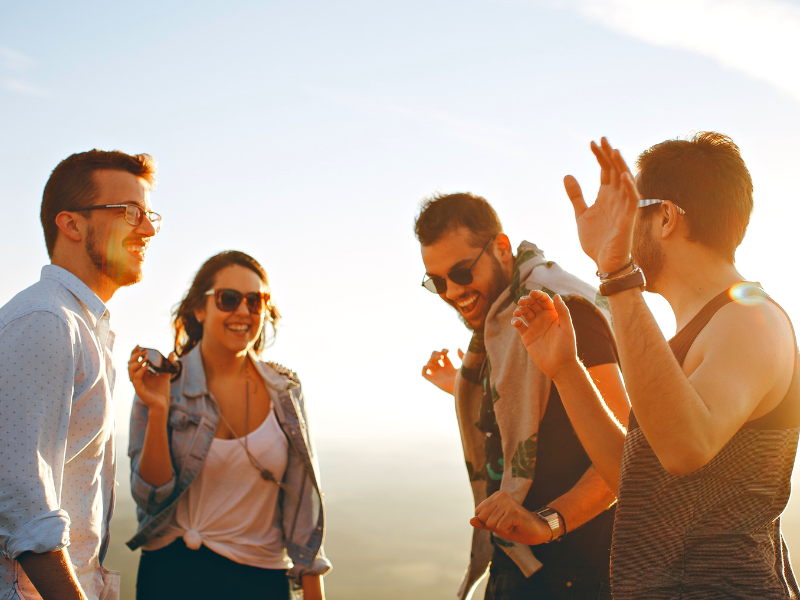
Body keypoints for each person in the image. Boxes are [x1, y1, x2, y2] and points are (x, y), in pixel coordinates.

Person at [505, 133, 799, 598]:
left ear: (665, 217)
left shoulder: (750, 319)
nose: (619, 227)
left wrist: (616, 272)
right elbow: (637, 476)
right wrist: (565, 369)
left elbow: (684, 448)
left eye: (631, 212)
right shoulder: (698, 332)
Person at [416, 193, 629, 600]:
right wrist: (464, 386)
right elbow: (538, 414)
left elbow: (623, 455)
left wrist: (547, 523)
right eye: (436, 281)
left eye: (460, 272)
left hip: (573, 574)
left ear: (500, 247)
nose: (450, 292)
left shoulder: (562, 311)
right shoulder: (500, 326)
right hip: (518, 564)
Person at [0, 150, 160, 600]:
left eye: (150, 216)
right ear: (71, 224)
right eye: (130, 213)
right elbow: (23, 508)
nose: (147, 229)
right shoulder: (47, 320)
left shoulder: (82, 327)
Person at [126, 250, 330, 600]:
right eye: (229, 299)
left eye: (256, 301)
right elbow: (150, 498)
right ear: (199, 308)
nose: (243, 311)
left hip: (260, 580)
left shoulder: (285, 391)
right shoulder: (163, 383)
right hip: (170, 576)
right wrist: (158, 409)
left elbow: (303, 514)